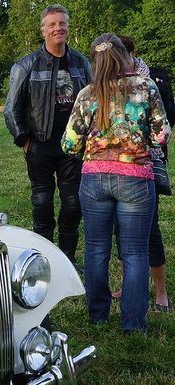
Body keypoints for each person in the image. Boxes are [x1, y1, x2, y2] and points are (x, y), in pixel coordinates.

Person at [61, 33, 170, 332]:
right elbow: (162, 135)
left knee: (96, 248)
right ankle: (133, 324)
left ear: (95, 60)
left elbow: (69, 145)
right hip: (136, 179)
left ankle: (98, 316)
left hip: (94, 179)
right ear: (125, 56)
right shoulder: (146, 88)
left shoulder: (87, 93)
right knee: (135, 252)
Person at [4, 4, 92, 266]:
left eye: (62, 23)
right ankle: (42, 261)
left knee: (73, 203)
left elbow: (93, 99)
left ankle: (66, 260)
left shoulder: (81, 63)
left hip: (73, 145)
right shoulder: (26, 65)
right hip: (39, 143)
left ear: (68, 27)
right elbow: (11, 108)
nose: (58, 28)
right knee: (42, 203)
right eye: (52, 25)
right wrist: (23, 138)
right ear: (43, 30)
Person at [111, 36, 171, 312]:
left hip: (146, 166)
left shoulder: (151, 84)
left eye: (123, 53)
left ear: (133, 54)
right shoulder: (110, 83)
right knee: (120, 229)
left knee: (150, 229)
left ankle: (161, 292)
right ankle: (130, 285)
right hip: (116, 167)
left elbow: (163, 131)